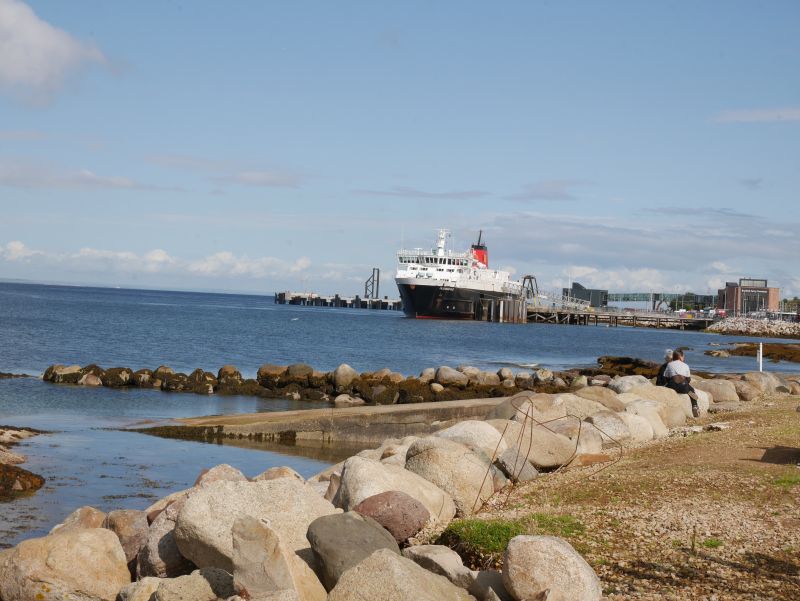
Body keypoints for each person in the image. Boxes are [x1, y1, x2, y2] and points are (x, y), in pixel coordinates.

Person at [663, 349, 700, 417]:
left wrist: (669, 383)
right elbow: (688, 379)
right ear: (680, 357)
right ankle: (695, 406)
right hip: (683, 387)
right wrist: (685, 384)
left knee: (664, 388)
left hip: (672, 386)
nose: (684, 358)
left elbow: (666, 377)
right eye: (683, 356)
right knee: (691, 390)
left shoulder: (669, 364)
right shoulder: (685, 365)